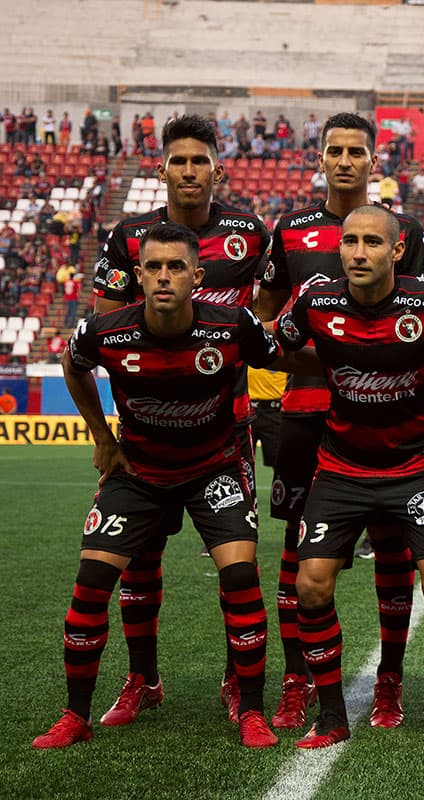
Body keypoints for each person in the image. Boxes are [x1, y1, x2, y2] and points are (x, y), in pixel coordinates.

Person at [32, 223, 311, 749]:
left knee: (241, 579)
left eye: (176, 267)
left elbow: (286, 358)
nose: (164, 277)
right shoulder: (104, 331)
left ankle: (250, 709)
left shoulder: (232, 326)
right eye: (154, 267)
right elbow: (73, 366)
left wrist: (363, 363)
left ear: (196, 276)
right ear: (138, 276)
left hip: (214, 469)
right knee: (90, 584)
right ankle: (76, 714)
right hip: (138, 474)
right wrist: (102, 437)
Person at [255, 112, 424, 731]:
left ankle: (389, 681)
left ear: (373, 160)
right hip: (304, 413)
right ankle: (296, 679)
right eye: (335, 150)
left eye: (357, 151)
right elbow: (269, 316)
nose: (345, 161)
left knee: (392, 547)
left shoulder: (406, 229)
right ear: (321, 157)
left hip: (385, 417)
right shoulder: (293, 230)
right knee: (298, 553)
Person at [91, 113, 271, 726]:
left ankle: (234, 680)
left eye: (200, 161)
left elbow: (268, 315)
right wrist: (109, 433)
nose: (189, 171)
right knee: (137, 559)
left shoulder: (249, 231)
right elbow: (105, 329)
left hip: (227, 426)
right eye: (179, 161)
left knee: (235, 561)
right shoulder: (130, 236)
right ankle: (143, 679)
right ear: (162, 168)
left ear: (218, 169)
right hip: (144, 435)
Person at [274, 206, 424, 751]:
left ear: (397, 250)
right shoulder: (316, 301)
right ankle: (332, 715)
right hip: (341, 468)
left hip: (415, 467)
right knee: (309, 584)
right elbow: (277, 344)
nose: (357, 252)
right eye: (349, 242)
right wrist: (328, 365)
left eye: (370, 243)